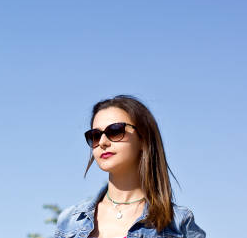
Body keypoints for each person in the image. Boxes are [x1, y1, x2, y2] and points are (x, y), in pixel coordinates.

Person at [54, 95, 205, 238]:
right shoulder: (71, 220)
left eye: (115, 131)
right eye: (95, 135)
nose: (103, 142)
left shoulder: (178, 224)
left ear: (143, 139)